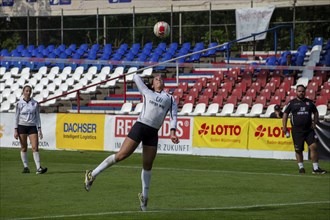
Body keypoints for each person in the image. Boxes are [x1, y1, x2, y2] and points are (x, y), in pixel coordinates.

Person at [84, 74, 180, 211]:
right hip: (140, 127)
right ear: (152, 84)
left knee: (148, 165)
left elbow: (173, 116)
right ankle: (92, 174)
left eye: (161, 79)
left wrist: (172, 132)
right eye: (156, 79)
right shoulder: (146, 92)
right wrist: (136, 74)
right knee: (121, 155)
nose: (159, 80)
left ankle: (144, 198)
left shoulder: (169, 99)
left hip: (152, 132)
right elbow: (136, 77)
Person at [282, 84, 326, 174]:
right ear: (296, 92)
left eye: (302, 91)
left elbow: (316, 112)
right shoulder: (292, 103)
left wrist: (315, 122)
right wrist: (284, 127)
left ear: (305, 92)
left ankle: (315, 168)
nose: (301, 93)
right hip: (297, 131)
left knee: (314, 147)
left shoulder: (309, 103)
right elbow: (285, 114)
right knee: (298, 150)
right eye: (299, 91)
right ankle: (301, 168)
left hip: (308, 130)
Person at [14, 85, 48, 174]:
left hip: (32, 127)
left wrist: (39, 129)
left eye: (29, 91)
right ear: (23, 92)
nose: (28, 92)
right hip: (22, 126)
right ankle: (26, 167)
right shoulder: (19, 104)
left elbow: (38, 117)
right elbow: (16, 117)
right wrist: (15, 130)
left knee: (35, 147)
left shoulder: (35, 103)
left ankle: (38, 168)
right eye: (26, 91)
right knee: (24, 148)